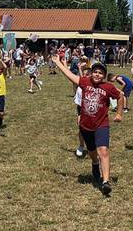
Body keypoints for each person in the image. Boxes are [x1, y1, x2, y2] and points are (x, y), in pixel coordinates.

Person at [51, 54, 124, 196]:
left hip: (101, 125)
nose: (97, 74)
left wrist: (119, 113)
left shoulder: (108, 87)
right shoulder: (84, 82)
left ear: (104, 75)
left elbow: (120, 96)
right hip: (86, 125)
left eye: (101, 73)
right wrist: (58, 63)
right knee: (92, 152)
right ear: (92, 73)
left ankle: (105, 182)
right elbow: (70, 76)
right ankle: (95, 164)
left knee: (103, 151)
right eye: (95, 72)